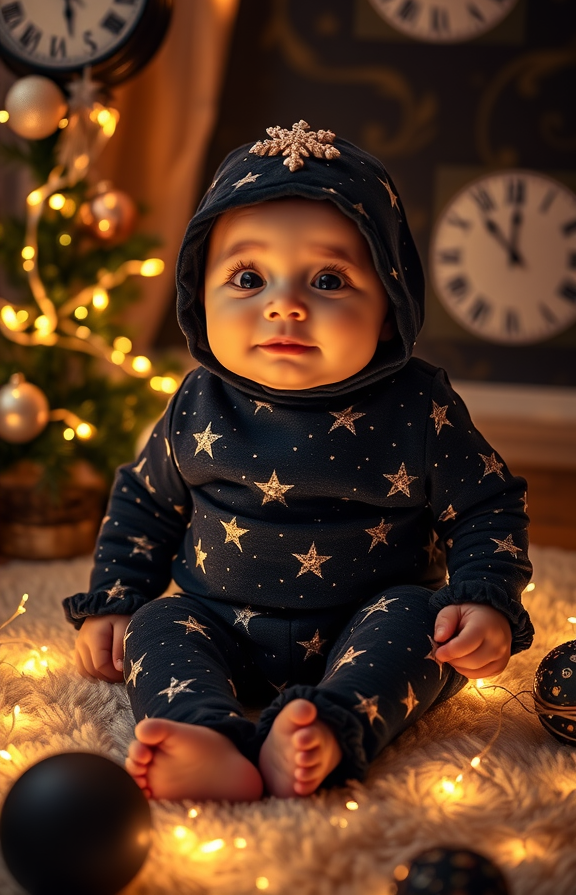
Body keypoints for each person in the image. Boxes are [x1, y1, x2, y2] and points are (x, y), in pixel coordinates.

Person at [64, 122, 533, 803]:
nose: (284, 303)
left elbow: (487, 504)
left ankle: (329, 728)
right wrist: (115, 601)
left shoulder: (417, 406)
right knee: (158, 627)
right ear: (200, 297)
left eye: (328, 278)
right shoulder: (196, 402)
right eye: (249, 277)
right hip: (219, 624)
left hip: (364, 623)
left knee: (417, 622)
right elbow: (143, 505)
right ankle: (209, 738)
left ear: (390, 307)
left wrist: (482, 600)